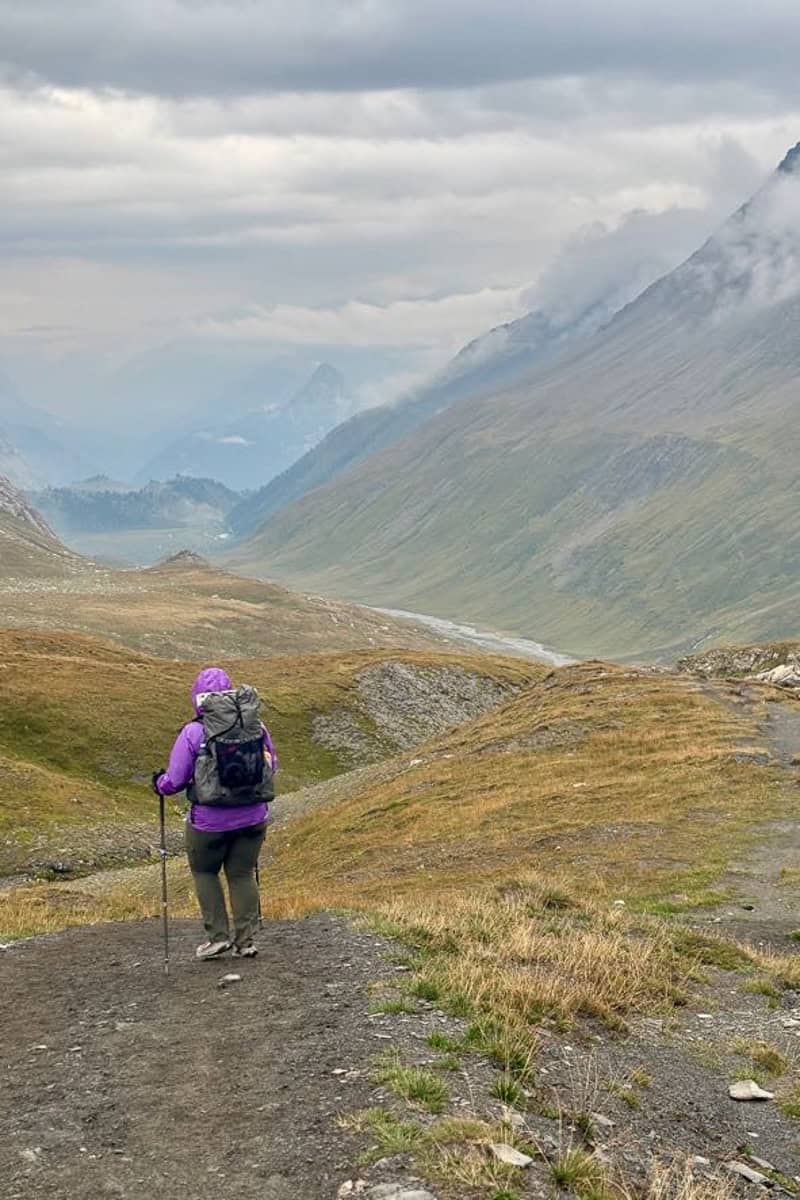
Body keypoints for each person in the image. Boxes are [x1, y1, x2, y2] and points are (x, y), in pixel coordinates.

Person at [154, 666, 277, 961]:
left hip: (209, 822)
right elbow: (271, 765)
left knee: (205, 872)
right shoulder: (255, 727)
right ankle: (245, 941)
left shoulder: (193, 732)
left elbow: (175, 780)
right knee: (242, 874)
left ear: (197, 697)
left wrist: (159, 784)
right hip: (253, 816)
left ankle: (218, 938)